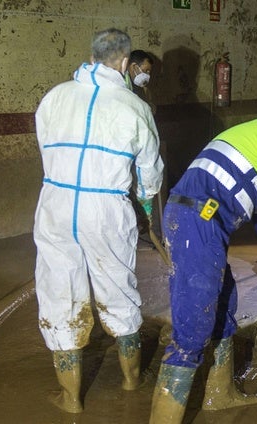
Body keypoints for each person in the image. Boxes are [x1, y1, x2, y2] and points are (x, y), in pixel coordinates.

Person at [149, 97, 257, 423]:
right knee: (194, 327)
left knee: (224, 302)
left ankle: (220, 397)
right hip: (198, 220)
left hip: (198, 218)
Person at [33, 28, 164, 413]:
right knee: (118, 289)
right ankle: (131, 380)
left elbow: (43, 144)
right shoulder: (134, 107)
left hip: (56, 201)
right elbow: (150, 170)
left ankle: (71, 398)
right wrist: (143, 202)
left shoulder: (54, 96)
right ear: (125, 62)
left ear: (92, 55)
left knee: (59, 293)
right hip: (106, 207)